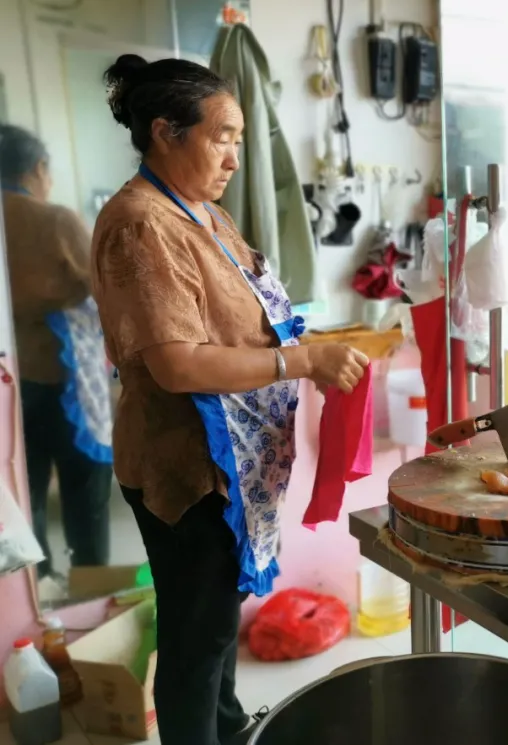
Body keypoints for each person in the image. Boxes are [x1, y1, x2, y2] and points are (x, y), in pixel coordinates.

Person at [91, 54, 369, 745]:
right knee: (196, 636)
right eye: (223, 137)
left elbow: (252, 317)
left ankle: (229, 729)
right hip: (185, 469)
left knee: (216, 624)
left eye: (240, 140)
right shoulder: (141, 222)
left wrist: (325, 342)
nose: (234, 158)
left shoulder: (204, 215)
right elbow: (179, 363)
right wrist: (303, 359)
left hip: (234, 472)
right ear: (165, 132)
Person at [0, 123, 113, 578]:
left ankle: (34, 595)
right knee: (85, 497)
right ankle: (92, 588)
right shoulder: (54, 221)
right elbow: (108, 292)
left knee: (22, 498)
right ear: (39, 168)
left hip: (10, 390)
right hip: (65, 386)